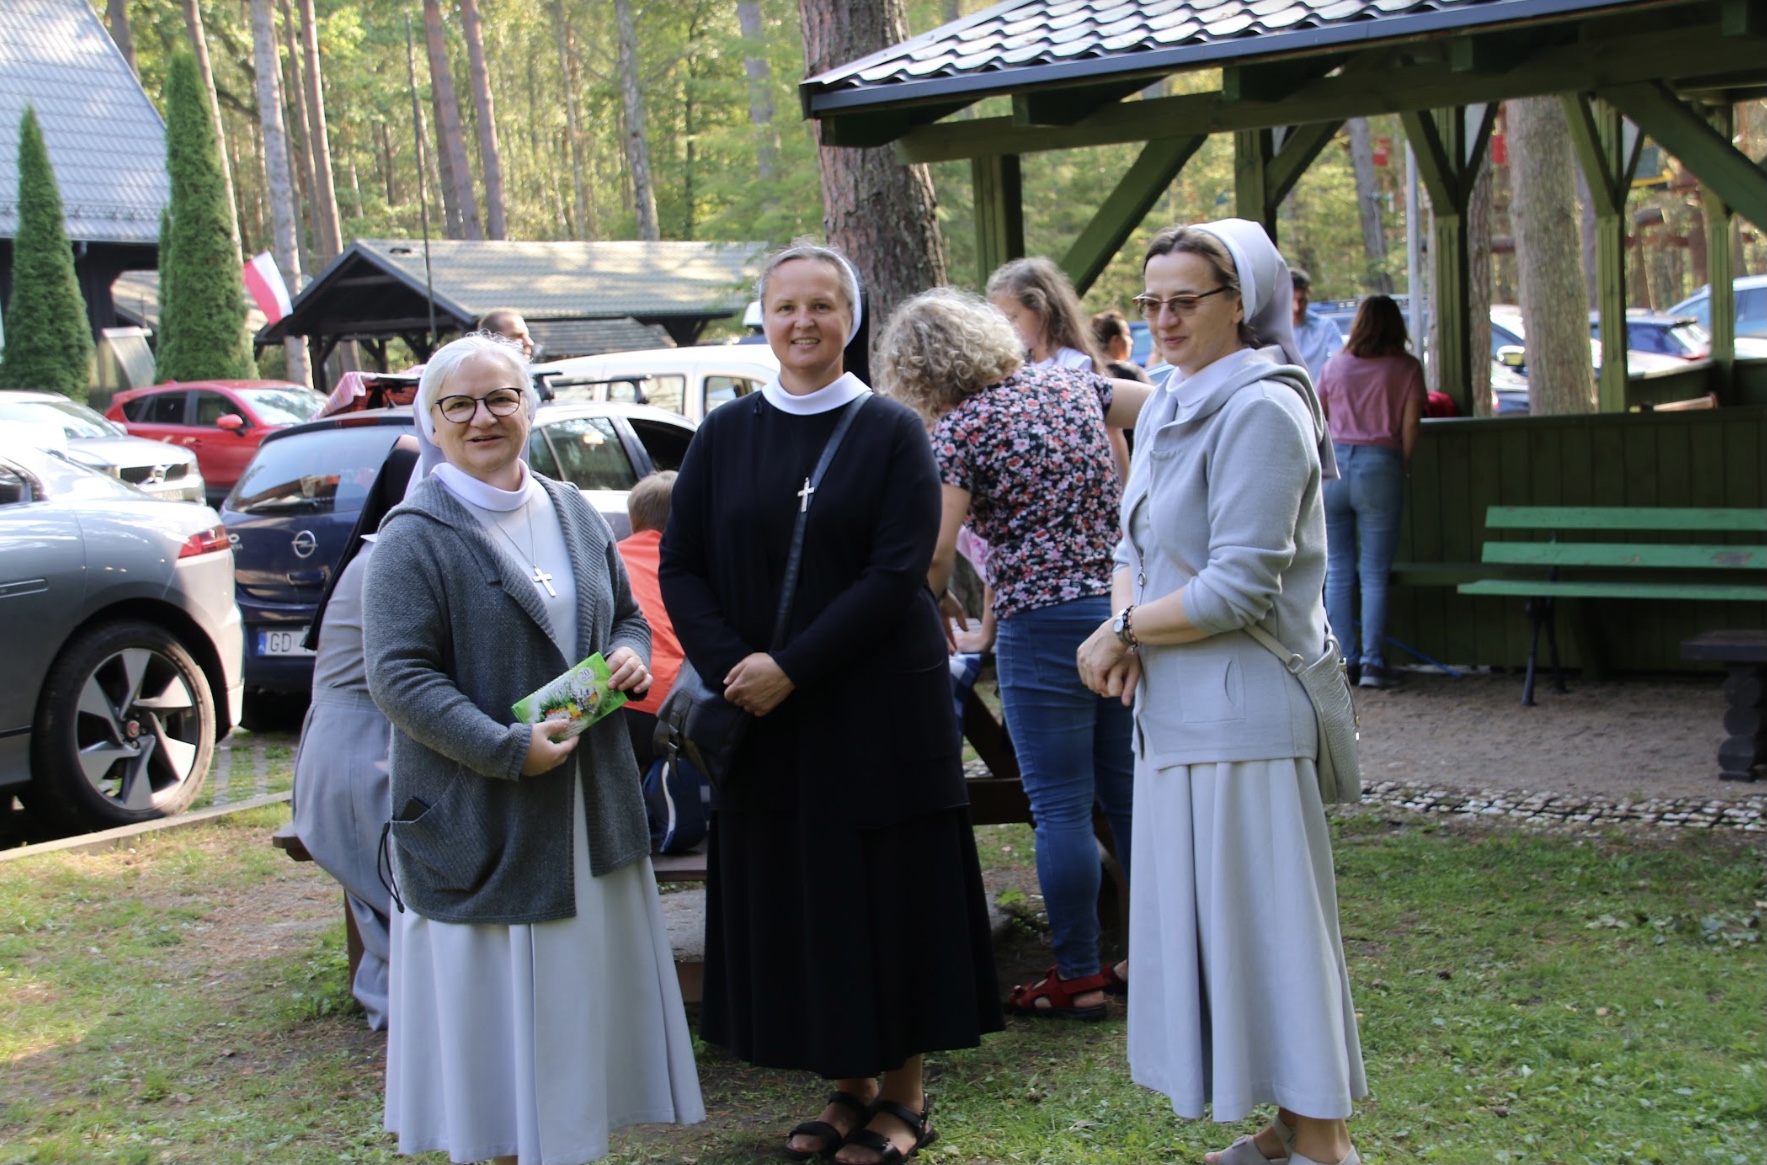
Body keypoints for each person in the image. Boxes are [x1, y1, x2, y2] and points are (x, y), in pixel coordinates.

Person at [659, 242, 1001, 1165]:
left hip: (871, 712)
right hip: (767, 718)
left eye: (822, 305)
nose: (803, 323)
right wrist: (737, 666)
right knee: (814, 901)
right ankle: (847, 1085)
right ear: (763, 320)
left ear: (850, 320)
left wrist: (791, 667)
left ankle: (905, 1095)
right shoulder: (726, 434)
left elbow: (899, 571)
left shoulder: (891, 430)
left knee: (887, 894)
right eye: (785, 307)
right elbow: (680, 562)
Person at [364, 332, 703, 1165]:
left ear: (530, 407)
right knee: (498, 1030)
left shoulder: (570, 507)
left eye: (501, 398)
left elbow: (622, 612)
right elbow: (398, 677)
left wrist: (628, 651)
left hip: (588, 808)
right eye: (460, 404)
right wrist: (504, 748)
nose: (484, 416)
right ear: (432, 422)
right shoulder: (414, 536)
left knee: (572, 1009)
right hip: (489, 818)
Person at [1076, 221, 1367, 1165]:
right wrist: (1127, 631)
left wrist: (1120, 631)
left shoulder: (1263, 409)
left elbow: (1241, 585)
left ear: (1238, 302)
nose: (1163, 319)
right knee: (1224, 939)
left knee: (1276, 938)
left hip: (1246, 716)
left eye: (1184, 301)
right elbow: (1133, 546)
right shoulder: (1162, 403)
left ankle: (1322, 1145)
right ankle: (1284, 1130)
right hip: (1173, 713)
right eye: (1150, 301)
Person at [880, 286, 1150, 1021]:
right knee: (1128, 797)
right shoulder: (1072, 386)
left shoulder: (959, 430)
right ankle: (1155, 956)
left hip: (1037, 623)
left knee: (1059, 806)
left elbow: (937, 553)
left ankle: (1078, 971)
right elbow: (1159, 402)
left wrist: (931, 597)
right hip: (1119, 611)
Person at [289, 436, 418, 1031]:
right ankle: (413, 1016)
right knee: (400, 890)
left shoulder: (380, 550)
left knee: (386, 899)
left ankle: (405, 1009)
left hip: (348, 742)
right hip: (363, 750)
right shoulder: (387, 560)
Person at [1316, 294, 1426, 690]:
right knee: (1375, 572)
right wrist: (1404, 465)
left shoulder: (1335, 366)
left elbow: (1318, 420)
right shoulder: (1407, 368)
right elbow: (1411, 425)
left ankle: (1344, 663)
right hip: (1382, 465)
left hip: (1335, 471)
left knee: (1339, 571)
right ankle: (1376, 663)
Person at [988, 256, 1132, 477]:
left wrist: (1123, 493)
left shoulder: (1075, 365)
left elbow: (1111, 433)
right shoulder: (1018, 367)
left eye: (1012, 317)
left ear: (1041, 309)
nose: (1007, 328)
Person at [615, 471, 684, 770]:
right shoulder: (686, 568)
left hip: (609, 696)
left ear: (633, 521)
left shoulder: (612, 556)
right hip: (667, 704)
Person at [1290, 267, 1344, 384]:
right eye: (1291, 300)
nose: (1296, 308)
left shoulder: (1325, 327)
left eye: (1301, 300)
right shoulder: (1270, 331)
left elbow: (1341, 362)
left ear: (1309, 294)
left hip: (1318, 398)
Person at [1091, 309, 1150, 382]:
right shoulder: (1129, 374)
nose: (1131, 341)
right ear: (1115, 340)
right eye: (1127, 335)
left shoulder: (1088, 373)